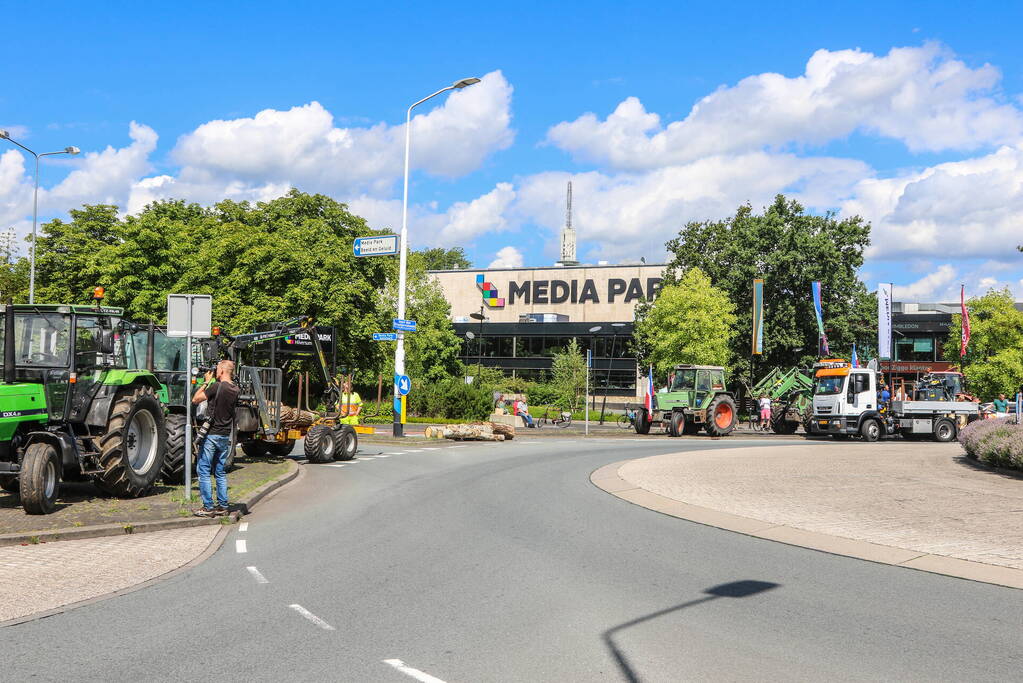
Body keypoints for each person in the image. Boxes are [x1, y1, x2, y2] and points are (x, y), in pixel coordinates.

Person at [191, 360, 240, 518]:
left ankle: (208, 507)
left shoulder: (216, 387)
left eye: (218, 369)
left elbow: (196, 399)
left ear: (222, 371)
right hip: (225, 434)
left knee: (203, 470)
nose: (216, 371)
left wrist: (206, 382)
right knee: (220, 471)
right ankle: (223, 506)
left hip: (212, 433)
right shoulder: (235, 389)